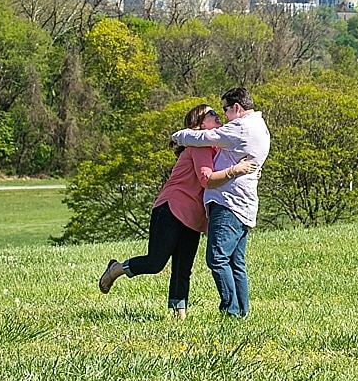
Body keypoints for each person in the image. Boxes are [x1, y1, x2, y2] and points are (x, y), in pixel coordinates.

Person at [99, 103, 257, 318]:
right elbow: (207, 179)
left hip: (194, 216)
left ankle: (178, 317)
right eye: (212, 114)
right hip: (172, 208)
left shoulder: (217, 148)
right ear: (201, 124)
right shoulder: (199, 146)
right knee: (155, 262)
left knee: (183, 268)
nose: (217, 115)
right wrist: (236, 170)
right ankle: (116, 269)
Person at [168, 86, 270, 318]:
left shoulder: (241, 127)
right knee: (235, 261)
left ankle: (231, 310)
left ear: (237, 107)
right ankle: (241, 311)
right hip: (243, 202)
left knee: (217, 257)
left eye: (225, 110)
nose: (224, 116)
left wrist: (178, 135)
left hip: (229, 201)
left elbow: (205, 137)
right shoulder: (260, 127)